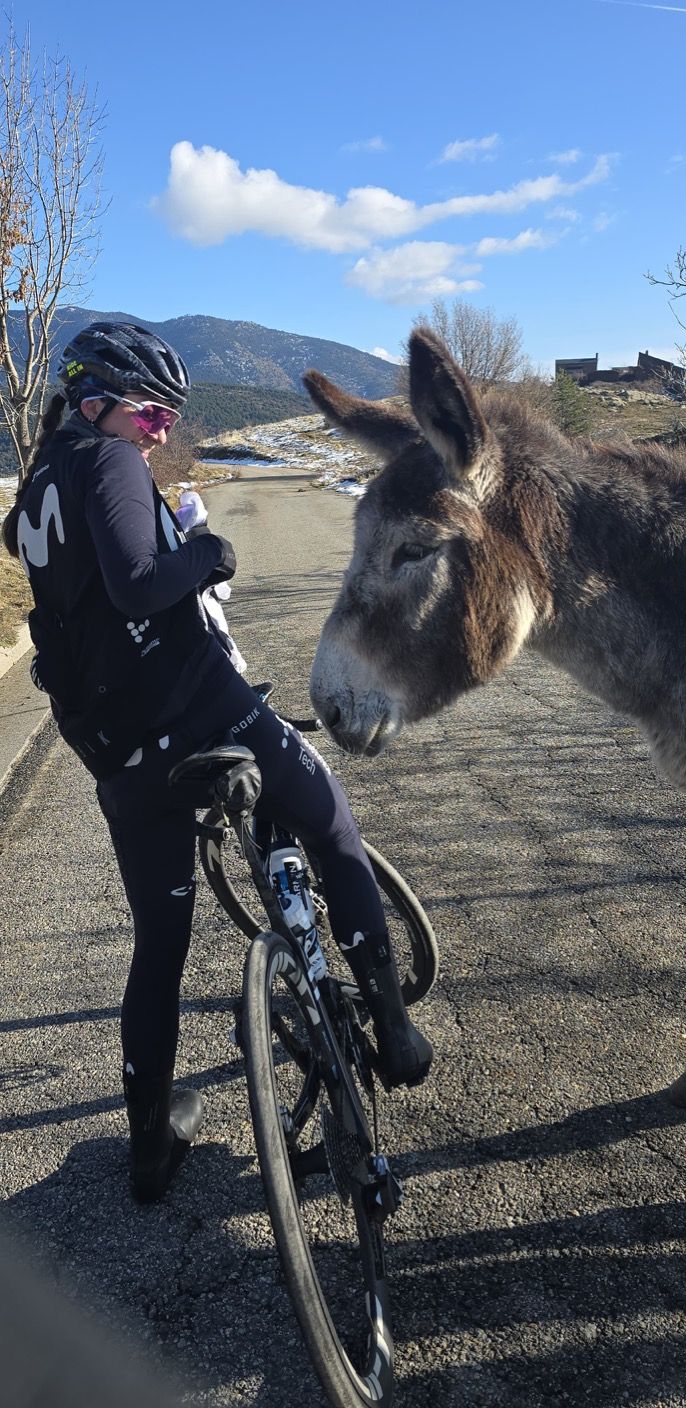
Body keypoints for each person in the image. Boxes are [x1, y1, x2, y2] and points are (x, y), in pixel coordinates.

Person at [2, 322, 432, 1205]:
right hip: (197, 708)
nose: (162, 428)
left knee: (160, 945)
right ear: (96, 402)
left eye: (171, 415)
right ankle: (394, 1030)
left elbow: (49, 560)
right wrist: (211, 553)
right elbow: (137, 585)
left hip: (117, 753)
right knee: (331, 824)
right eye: (151, 412)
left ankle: (150, 1150)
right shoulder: (109, 460)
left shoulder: (42, 480)